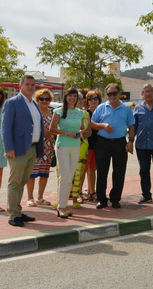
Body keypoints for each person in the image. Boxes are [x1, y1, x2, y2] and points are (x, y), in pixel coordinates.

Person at [0, 74, 44, 227]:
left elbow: (38, 127)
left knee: (23, 181)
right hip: (18, 150)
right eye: (27, 84)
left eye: (33, 85)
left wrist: (38, 151)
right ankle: (13, 214)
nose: (30, 87)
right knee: (15, 182)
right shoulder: (12, 103)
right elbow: (5, 128)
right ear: (20, 86)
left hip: (31, 149)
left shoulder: (34, 104)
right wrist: (9, 148)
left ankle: (18, 211)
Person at [89, 83, 134, 209]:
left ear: (119, 94)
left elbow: (131, 125)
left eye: (114, 93)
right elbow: (92, 124)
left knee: (119, 172)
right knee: (102, 172)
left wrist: (130, 141)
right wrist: (103, 125)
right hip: (103, 142)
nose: (112, 96)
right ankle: (101, 199)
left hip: (120, 143)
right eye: (109, 94)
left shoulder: (126, 108)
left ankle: (115, 199)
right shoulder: (101, 107)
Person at [49, 87, 88, 218]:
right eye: (70, 96)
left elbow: (83, 128)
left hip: (75, 146)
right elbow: (52, 129)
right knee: (64, 176)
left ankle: (65, 205)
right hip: (62, 146)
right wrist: (66, 132)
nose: (72, 98)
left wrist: (79, 134)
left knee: (70, 176)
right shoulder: (59, 111)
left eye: (74, 96)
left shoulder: (80, 112)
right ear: (65, 97)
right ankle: (61, 206)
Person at [25, 89, 56, 207]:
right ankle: (30, 197)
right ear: (37, 99)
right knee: (32, 173)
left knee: (44, 173)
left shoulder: (53, 113)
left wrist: (53, 133)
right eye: (41, 99)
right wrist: (43, 133)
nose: (44, 101)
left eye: (47, 99)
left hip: (49, 147)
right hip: (36, 146)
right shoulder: (34, 112)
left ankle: (40, 197)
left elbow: (57, 127)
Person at [70, 90, 89, 207]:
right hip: (67, 144)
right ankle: (67, 194)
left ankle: (77, 196)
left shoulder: (85, 114)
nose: (81, 101)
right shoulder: (65, 112)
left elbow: (89, 132)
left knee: (79, 173)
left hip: (82, 144)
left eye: (83, 99)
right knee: (67, 172)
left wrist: (82, 132)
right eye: (79, 99)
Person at [83, 89, 102, 201]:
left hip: (98, 145)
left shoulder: (101, 113)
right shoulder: (85, 114)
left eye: (95, 98)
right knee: (84, 170)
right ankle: (79, 193)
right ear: (87, 101)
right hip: (86, 145)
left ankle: (91, 192)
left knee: (93, 170)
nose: (93, 101)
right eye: (90, 99)